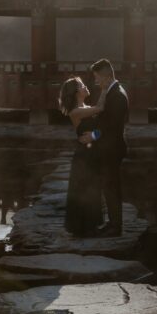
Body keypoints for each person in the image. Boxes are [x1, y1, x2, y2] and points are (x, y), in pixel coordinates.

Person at [79, 58, 129, 237]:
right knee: (108, 186)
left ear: (106, 76)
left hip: (113, 149)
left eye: (97, 78)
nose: (96, 81)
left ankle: (116, 227)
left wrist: (93, 136)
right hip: (108, 148)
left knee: (111, 188)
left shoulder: (118, 96)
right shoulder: (109, 91)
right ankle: (112, 223)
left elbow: (111, 127)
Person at [57, 76, 105, 236]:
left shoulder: (85, 107)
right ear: (77, 92)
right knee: (84, 189)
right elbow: (101, 108)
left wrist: (96, 135)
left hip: (91, 152)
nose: (86, 86)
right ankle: (83, 228)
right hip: (84, 156)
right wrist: (107, 87)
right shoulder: (76, 112)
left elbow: (100, 130)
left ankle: (90, 226)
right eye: (82, 85)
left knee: (92, 187)